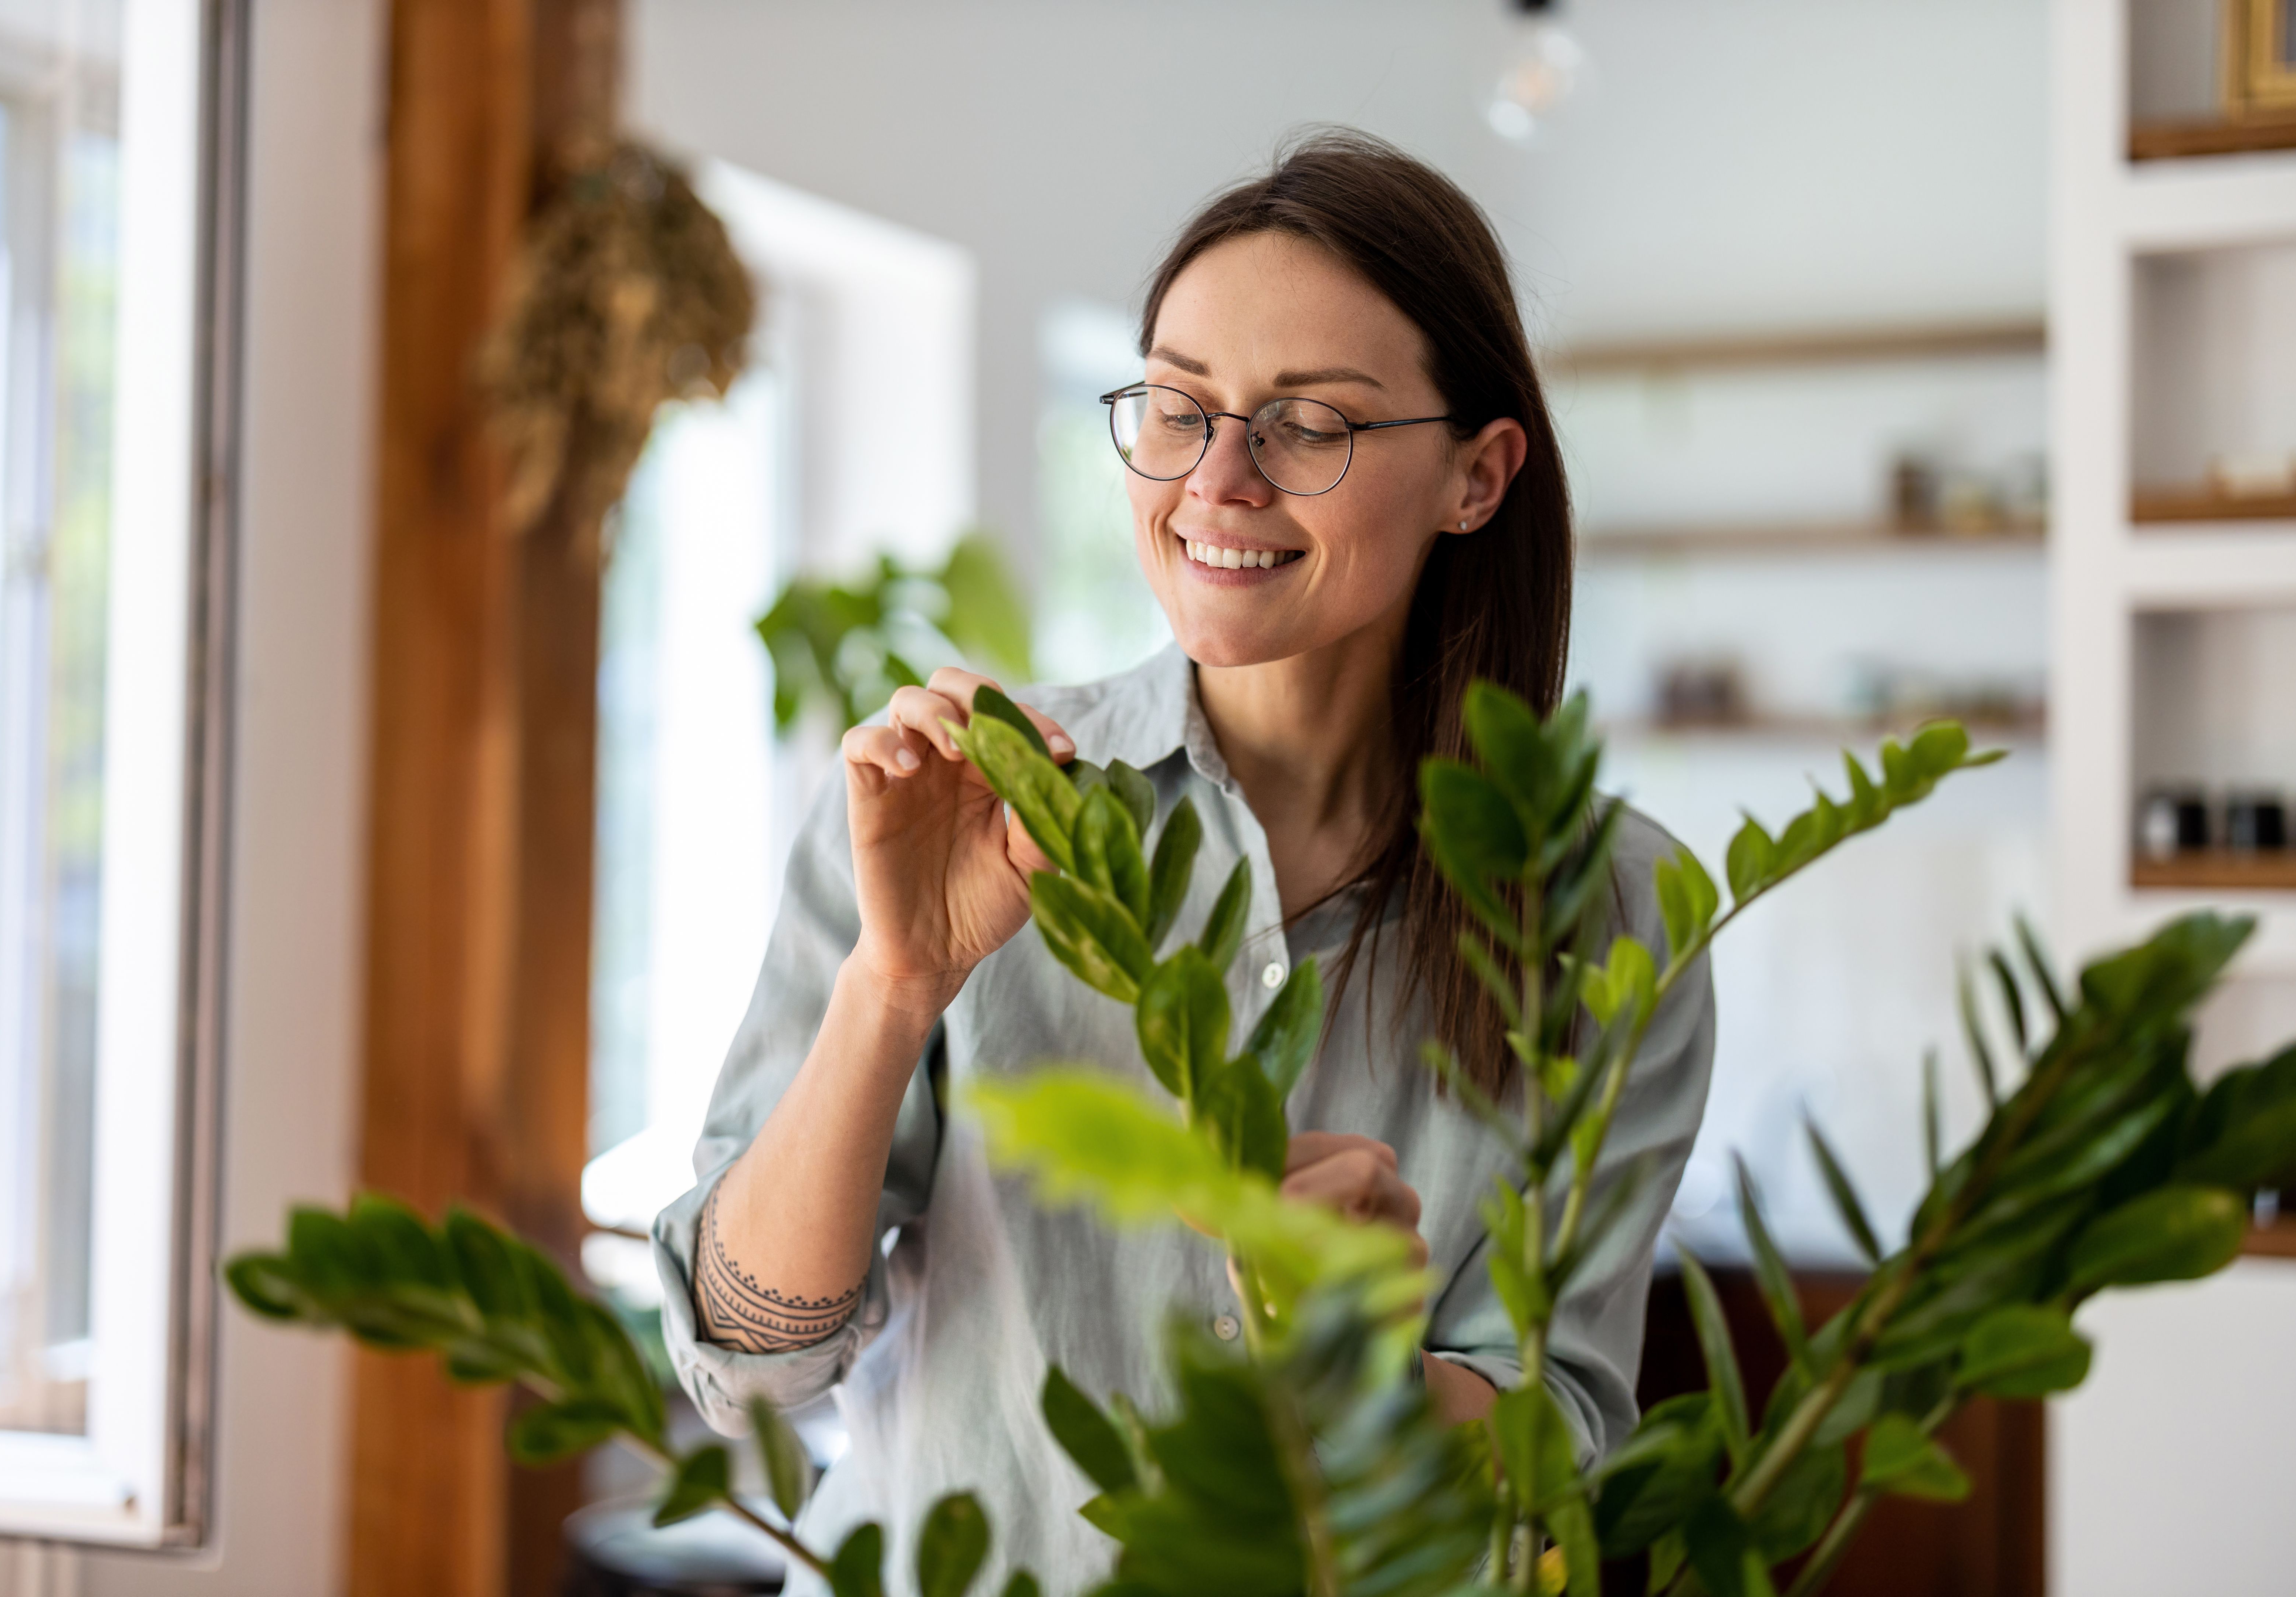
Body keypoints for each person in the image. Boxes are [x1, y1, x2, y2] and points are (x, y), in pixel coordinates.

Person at [652, 129, 1714, 1594]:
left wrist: (1357, 1364)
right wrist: (897, 983)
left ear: (1478, 476)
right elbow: (753, 1375)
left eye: (1310, 424)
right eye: (1176, 406)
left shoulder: (1620, 913)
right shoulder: (961, 806)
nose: (1218, 480)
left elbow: (1559, 1463)